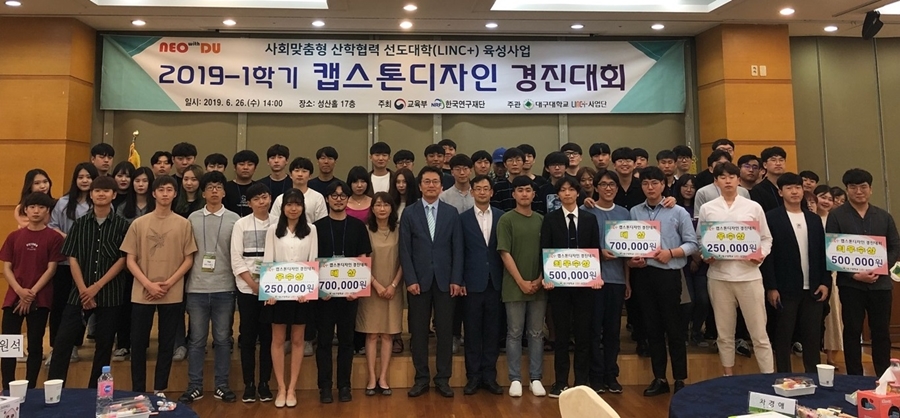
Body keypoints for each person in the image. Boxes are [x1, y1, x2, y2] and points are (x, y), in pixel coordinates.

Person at [47, 175, 129, 387]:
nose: (101, 194)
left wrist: (97, 287)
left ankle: (95, 392)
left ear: (114, 195)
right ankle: (54, 389)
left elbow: (123, 260)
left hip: (110, 293)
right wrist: (84, 289)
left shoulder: (122, 225)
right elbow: (72, 257)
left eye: (106, 191)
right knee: (63, 342)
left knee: (104, 346)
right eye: (97, 191)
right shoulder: (80, 224)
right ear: (91, 194)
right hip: (79, 293)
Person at [121, 175, 198, 396]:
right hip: (142, 290)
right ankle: (138, 390)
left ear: (175, 194)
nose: (165, 194)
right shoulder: (138, 223)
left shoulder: (184, 224)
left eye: (169, 190)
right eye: (161, 190)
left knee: (167, 343)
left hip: (171, 290)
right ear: (153, 193)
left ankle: (159, 389)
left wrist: (169, 283)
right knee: (138, 343)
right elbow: (130, 259)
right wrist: (148, 284)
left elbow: (189, 259)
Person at [698, 162, 774, 376]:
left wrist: (760, 254)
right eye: (722, 177)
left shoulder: (753, 207)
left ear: (739, 180)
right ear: (716, 181)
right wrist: (706, 255)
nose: (728, 181)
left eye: (732, 177)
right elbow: (700, 239)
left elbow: (766, 238)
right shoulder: (707, 208)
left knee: (759, 333)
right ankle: (728, 376)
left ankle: (768, 376)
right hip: (719, 276)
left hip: (749, 276)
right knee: (724, 333)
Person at [629, 167, 698, 396]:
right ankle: (659, 378)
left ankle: (679, 379)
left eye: (655, 183)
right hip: (644, 275)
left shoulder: (678, 211)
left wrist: (671, 252)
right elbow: (630, 242)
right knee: (652, 328)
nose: (650, 187)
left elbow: (692, 244)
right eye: (645, 183)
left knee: (674, 328)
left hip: (669, 274)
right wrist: (632, 259)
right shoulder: (634, 211)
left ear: (663, 185)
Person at [825, 168, 900, 376]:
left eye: (863, 187)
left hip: (881, 284)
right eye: (853, 187)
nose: (859, 191)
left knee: (881, 332)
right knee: (852, 330)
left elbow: (895, 246)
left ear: (871, 189)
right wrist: (853, 274)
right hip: (851, 285)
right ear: (847, 190)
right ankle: (854, 377)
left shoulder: (883, 216)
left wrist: (880, 267)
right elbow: (831, 249)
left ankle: (884, 376)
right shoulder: (836, 216)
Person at [399, 166, 464, 399]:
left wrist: (456, 278)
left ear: (441, 186)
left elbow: (458, 248)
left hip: (446, 281)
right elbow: (404, 250)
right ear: (419, 186)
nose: (431, 185)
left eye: (435, 182)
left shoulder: (451, 212)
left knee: (445, 332)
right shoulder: (409, 213)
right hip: (418, 281)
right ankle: (421, 378)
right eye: (426, 181)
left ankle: (443, 379)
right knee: (418, 332)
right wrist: (410, 279)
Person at [178, 171, 240, 404]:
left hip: (225, 287)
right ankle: (194, 386)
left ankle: (222, 386)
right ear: (202, 193)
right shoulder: (191, 219)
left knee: (223, 340)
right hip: (196, 288)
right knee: (196, 340)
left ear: (224, 192)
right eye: (210, 187)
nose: (214, 191)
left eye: (218, 187)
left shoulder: (235, 219)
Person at [762, 173, 830, 373]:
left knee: (812, 337)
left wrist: (825, 282)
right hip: (785, 288)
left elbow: (822, 253)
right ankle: (784, 376)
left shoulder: (814, 219)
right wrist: (771, 287)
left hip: (814, 287)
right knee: (783, 336)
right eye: (789, 188)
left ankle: (814, 376)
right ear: (780, 192)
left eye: (798, 188)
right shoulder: (771, 218)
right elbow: (768, 256)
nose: (794, 192)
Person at [541, 177, 602, 398]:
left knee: (583, 334)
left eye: (571, 190)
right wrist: (546, 276)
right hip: (559, 286)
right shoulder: (550, 219)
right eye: (563, 190)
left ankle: (581, 382)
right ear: (558, 195)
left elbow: (595, 248)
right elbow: (545, 248)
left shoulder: (589, 219)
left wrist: (596, 276)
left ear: (578, 193)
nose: (567, 193)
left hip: (585, 285)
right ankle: (560, 382)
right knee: (561, 335)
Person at [313, 181, 373, 404]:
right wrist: (320, 290)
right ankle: (325, 387)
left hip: (350, 295)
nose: (338, 199)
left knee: (347, 341)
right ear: (327, 198)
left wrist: (357, 289)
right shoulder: (316, 227)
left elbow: (363, 258)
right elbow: (311, 260)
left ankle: (344, 385)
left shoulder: (358, 226)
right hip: (324, 296)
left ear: (348, 199)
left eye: (342, 196)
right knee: (324, 342)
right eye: (334, 195)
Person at [0, 192, 64, 390]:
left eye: (41, 207)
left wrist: (31, 293)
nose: (36, 211)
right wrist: (20, 291)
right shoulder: (14, 237)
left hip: (40, 298)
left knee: (35, 346)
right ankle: (7, 388)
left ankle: (30, 389)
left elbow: (51, 269)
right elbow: (7, 268)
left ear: (48, 211)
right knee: (9, 346)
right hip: (13, 298)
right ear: (25, 210)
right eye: (32, 207)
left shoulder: (54, 237)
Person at [262, 188, 318, 408]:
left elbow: (313, 260)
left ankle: (292, 388)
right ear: (283, 207)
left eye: (297, 204)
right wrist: (270, 291)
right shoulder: (272, 230)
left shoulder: (311, 230)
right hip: (278, 293)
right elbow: (268, 260)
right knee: (277, 340)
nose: (293, 208)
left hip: (302, 294)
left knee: (297, 340)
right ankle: (281, 387)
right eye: (289, 204)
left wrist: (307, 290)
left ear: (303, 207)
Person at [497, 176, 546, 398]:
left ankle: (536, 378)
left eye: (528, 190)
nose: (524, 194)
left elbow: (548, 253)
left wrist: (539, 279)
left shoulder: (542, 220)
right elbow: (504, 253)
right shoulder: (506, 220)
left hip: (539, 286)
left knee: (536, 333)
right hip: (514, 286)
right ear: (514, 194)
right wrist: (521, 281)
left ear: (534, 194)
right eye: (520, 190)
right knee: (514, 333)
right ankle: (515, 378)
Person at [581, 170, 630, 394]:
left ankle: (612, 374)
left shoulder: (624, 213)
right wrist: (599, 253)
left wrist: (627, 281)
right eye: (603, 184)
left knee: (612, 330)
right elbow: (579, 246)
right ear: (596, 187)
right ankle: (596, 375)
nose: (608, 188)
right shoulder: (586, 211)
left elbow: (628, 252)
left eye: (612, 185)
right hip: (591, 280)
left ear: (617, 189)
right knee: (593, 330)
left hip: (616, 280)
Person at [48, 162, 99, 363]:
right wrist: (70, 238)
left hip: (88, 264)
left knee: (81, 306)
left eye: (89, 177)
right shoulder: (63, 203)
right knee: (60, 305)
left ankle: (74, 345)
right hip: (64, 263)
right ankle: (56, 348)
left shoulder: (99, 202)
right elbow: (52, 226)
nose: (85, 180)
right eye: (81, 177)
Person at [459, 175, 505, 396]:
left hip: (496, 282)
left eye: (486, 188)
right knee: (472, 332)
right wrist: (460, 280)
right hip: (471, 284)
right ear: (472, 192)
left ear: (492, 192)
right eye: (478, 188)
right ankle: (473, 377)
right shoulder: (462, 219)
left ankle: (489, 376)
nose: (482, 192)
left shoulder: (502, 217)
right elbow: (459, 251)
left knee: (492, 332)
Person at [230, 183, 274, 403]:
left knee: (268, 338)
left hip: (272, 292)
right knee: (247, 338)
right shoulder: (241, 224)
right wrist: (254, 285)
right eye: (256, 199)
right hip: (247, 289)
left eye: (264, 197)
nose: (261, 202)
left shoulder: (278, 223)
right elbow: (236, 259)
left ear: (270, 198)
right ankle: (249, 384)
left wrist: (268, 287)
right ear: (249, 203)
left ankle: (265, 383)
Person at [358, 192, 403, 396]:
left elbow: (404, 260)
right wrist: (376, 285)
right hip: (371, 288)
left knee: (387, 334)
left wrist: (393, 285)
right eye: (378, 205)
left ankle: (383, 378)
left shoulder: (399, 230)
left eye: (386, 205)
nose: (382, 208)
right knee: (371, 334)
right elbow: (361, 262)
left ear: (392, 208)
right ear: (372, 208)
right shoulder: (365, 230)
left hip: (393, 288)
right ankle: (371, 377)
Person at [113, 167, 155, 363]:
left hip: (152, 262)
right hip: (127, 263)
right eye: (137, 180)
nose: (140, 184)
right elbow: (119, 236)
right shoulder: (123, 208)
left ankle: (141, 345)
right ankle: (123, 344)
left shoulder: (156, 207)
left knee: (145, 309)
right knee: (125, 306)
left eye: (144, 181)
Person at [439, 154, 475, 354]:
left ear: (471, 170)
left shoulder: (477, 193)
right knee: (453, 298)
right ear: (451, 172)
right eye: (458, 169)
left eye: (465, 168)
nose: (462, 172)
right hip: (450, 252)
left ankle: (471, 336)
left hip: (474, 251)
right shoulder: (444, 197)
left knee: (472, 297)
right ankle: (454, 335)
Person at [814, 185, 843, 367]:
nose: (826, 201)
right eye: (822, 197)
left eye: (830, 199)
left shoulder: (836, 220)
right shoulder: (809, 219)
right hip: (815, 272)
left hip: (833, 272)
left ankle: (831, 355)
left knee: (834, 316)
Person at [269, 157, 328, 224]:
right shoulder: (280, 199)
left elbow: (322, 223)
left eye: (304, 171)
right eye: (296, 171)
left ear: (310, 176)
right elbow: (273, 222)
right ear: (291, 175)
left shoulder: (318, 198)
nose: (300, 174)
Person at [750, 146, 789, 213]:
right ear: (765, 165)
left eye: (781, 160)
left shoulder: (792, 185)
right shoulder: (758, 190)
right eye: (773, 160)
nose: (778, 163)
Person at [224, 150, 259, 217]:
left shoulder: (259, 188)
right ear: (234, 167)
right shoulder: (225, 188)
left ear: (255, 168)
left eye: (250, 164)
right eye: (241, 164)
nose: (245, 167)